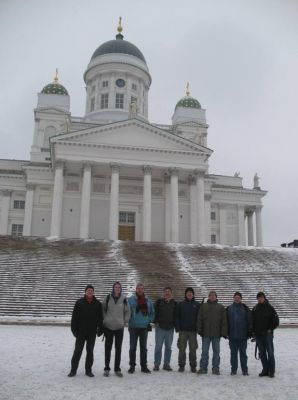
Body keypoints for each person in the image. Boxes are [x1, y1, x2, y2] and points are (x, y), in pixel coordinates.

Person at [68, 284, 103, 377]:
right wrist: (74, 331)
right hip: (80, 332)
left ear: (93, 292)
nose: (90, 292)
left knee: (90, 351)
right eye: (88, 290)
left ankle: (88, 370)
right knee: (77, 351)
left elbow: (100, 318)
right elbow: (74, 318)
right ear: (85, 291)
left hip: (92, 332)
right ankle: (73, 370)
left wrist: (100, 329)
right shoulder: (79, 303)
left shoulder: (98, 304)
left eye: (91, 290)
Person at [102, 281, 131, 377]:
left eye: (119, 287)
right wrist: (105, 319)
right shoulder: (107, 298)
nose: (117, 288)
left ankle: (117, 368)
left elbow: (128, 311)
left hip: (119, 327)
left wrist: (124, 321)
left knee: (118, 348)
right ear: (113, 288)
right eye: (115, 287)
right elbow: (103, 309)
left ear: (120, 288)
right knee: (108, 348)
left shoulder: (124, 299)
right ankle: (106, 368)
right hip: (108, 327)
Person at [197, 290, 228, 375]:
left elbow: (224, 321)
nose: (212, 297)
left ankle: (216, 368)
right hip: (205, 333)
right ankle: (203, 368)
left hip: (216, 334)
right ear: (209, 296)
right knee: (204, 352)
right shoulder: (203, 306)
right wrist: (199, 330)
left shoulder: (221, 307)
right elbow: (199, 319)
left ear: (216, 297)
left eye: (214, 295)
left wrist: (223, 332)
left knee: (216, 352)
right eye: (211, 295)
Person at [128, 283, 155, 374]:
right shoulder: (131, 300)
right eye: (138, 288)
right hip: (133, 327)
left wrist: (149, 320)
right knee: (132, 347)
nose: (140, 290)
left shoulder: (148, 301)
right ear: (136, 289)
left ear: (143, 290)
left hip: (144, 327)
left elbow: (152, 313)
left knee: (143, 348)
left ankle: (144, 366)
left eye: (141, 288)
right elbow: (127, 311)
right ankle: (132, 366)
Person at [252, 291, 279, 378]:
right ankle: (265, 370)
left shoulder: (270, 308)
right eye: (258, 298)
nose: (260, 299)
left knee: (270, 353)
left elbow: (276, 321)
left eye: (261, 298)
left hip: (267, 335)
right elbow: (252, 321)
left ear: (264, 298)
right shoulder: (255, 308)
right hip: (259, 335)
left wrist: (270, 329)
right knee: (262, 353)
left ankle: (271, 371)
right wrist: (253, 332)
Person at [226, 291, 252, 376]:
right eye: (235, 297)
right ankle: (234, 369)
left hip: (242, 336)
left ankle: (244, 370)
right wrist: (226, 332)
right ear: (233, 298)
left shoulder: (245, 308)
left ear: (241, 299)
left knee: (243, 354)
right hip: (232, 336)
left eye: (238, 298)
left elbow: (249, 321)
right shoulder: (229, 308)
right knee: (233, 354)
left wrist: (249, 332)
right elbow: (226, 322)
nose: (237, 299)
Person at [175, 287, 200, 373]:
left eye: (191, 293)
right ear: (185, 294)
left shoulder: (197, 304)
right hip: (183, 331)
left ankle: (193, 366)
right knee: (182, 349)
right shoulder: (181, 304)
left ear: (193, 294)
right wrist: (178, 328)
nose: (189, 294)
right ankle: (181, 365)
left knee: (193, 349)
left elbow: (199, 318)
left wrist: (198, 328)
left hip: (193, 331)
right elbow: (177, 317)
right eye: (188, 293)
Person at [153, 287, 177, 371]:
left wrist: (175, 324)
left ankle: (166, 364)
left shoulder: (174, 303)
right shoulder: (159, 302)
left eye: (169, 292)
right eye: (165, 291)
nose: (167, 293)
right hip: (160, 328)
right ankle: (156, 364)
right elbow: (153, 312)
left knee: (168, 347)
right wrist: (156, 322)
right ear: (163, 293)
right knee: (158, 347)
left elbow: (177, 315)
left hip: (170, 329)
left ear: (171, 293)